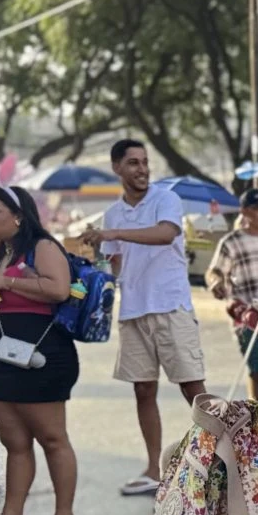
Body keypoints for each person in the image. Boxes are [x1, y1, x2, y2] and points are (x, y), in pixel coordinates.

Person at [84, 139, 207, 496]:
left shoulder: (165, 199)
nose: (141, 169)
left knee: (192, 387)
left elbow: (166, 234)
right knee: (143, 390)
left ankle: (226, 460)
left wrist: (113, 234)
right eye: (133, 163)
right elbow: (114, 262)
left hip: (170, 305)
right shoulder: (112, 213)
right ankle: (153, 469)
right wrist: (94, 273)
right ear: (117, 169)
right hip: (133, 309)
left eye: (144, 162)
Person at [0, 186, 79, 515]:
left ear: (18, 215)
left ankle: (64, 514)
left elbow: (59, 289)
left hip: (43, 354)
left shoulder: (42, 247)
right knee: (15, 441)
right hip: (4, 352)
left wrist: (5, 280)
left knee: (52, 437)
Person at [206, 188, 258, 403]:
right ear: (245, 211)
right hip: (248, 316)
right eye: (257, 208)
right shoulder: (231, 241)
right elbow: (214, 271)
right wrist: (216, 283)